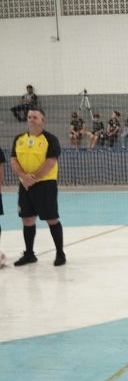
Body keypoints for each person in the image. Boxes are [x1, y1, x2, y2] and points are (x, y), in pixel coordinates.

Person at [9, 107, 66, 267]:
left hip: (45, 184)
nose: (31, 119)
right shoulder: (19, 139)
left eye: (35, 117)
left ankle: (60, 253)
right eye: (29, 117)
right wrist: (23, 177)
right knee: (27, 218)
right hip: (25, 185)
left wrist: (32, 178)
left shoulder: (50, 139)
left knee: (51, 218)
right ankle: (29, 254)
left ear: (43, 120)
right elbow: (13, 160)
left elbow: (50, 162)